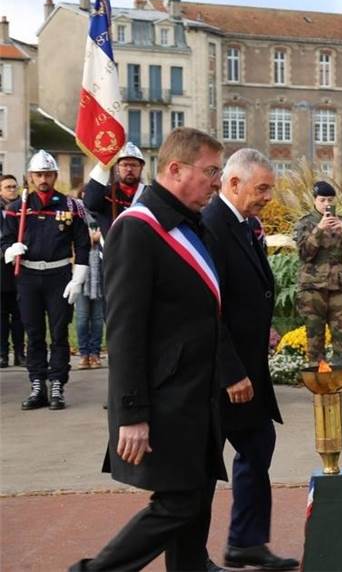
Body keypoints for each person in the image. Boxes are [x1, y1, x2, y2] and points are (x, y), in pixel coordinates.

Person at [69, 127, 251, 572]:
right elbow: (126, 331)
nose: (216, 181)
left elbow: (207, 312)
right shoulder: (139, 229)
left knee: (199, 487)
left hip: (197, 391)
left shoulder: (192, 225)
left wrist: (228, 370)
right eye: (210, 171)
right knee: (179, 501)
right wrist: (130, 414)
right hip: (164, 395)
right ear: (175, 169)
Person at [202, 149, 298, 571]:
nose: (267, 198)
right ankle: (191, 555)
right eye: (261, 189)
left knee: (258, 445)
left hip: (247, 370)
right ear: (233, 183)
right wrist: (231, 372)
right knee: (203, 466)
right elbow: (207, 309)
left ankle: (246, 541)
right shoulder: (211, 225)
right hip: (219, 375)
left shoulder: (243, 224)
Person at [1, 151, 90, 410]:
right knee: (34, 332)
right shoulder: (16, 209)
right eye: (38, 174)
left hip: (59, 275)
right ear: (30, 177)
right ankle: (37, 383)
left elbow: (82, 245)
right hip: (28, 276)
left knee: (59, 332)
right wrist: (10, 250)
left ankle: (57, 384)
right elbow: (4, 240)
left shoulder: (72, 206)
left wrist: (78, 278)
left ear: (54, 176)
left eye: (48, 174)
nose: (43, 179)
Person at [292, 181, 342, 400]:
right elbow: (304, 253)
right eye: (322, 200)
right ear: (315, 201)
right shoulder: (306, 224)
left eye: (330, 200)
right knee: (315, 337)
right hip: (312, 287)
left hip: (339, 288)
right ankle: (319, 383)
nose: (326, 204)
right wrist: (319, 230)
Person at [83, 142, 147, 237]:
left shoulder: (148, 194)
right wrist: (104, 165)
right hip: (110, 249)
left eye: (133, 165)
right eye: (124, 165)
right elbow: (90, 203)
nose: (129, 169)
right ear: (117, 167)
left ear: (141, 168)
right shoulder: (106, 193)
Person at [73, 187, 106, 370]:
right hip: (82, 272)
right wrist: (89, 239)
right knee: (82, 317)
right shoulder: (77, 218)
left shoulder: (103, 217)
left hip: (100, 271)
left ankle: (95, 352)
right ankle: (84, 353)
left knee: (97, 317)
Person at [0, 174, 25, 368]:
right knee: (1, 316)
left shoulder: (23, 209)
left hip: (20, 269)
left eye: (14, 187)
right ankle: (2, 353)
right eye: (8, 187)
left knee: (19, 316)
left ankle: (19, 352)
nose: (12, 190)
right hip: (1, 268)